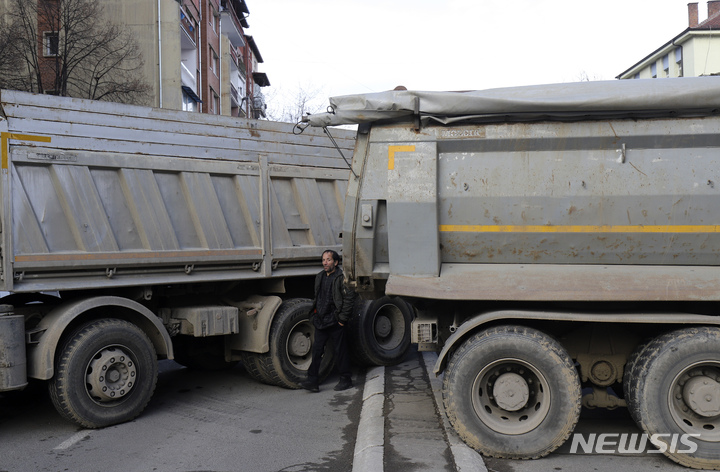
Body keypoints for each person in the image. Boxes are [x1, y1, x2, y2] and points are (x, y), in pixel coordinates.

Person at [300, 249, 356, 392]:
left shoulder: (342, 277)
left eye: (328, 260)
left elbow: (349, 299)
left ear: (336, 262)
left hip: (335, 321)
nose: (325, 263)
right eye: (324, 260)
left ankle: (346, 379)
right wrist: (314, 315)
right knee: (317, 350)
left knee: (340, 351)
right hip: (321, 320)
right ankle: (312, 381)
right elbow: (318, 297)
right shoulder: (320, 276)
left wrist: (342, 320)